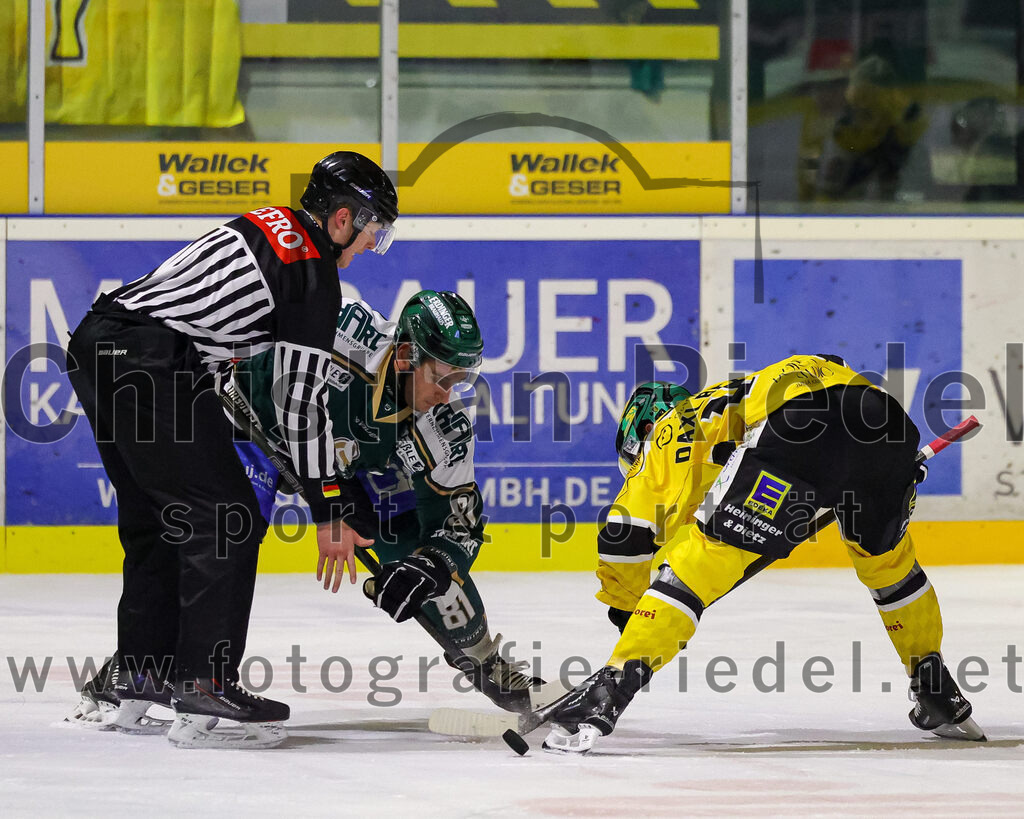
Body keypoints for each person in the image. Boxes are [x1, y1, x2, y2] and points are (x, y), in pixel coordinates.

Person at [65, 151, 398, 748]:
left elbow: (209, 329)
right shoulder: (313, 273)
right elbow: (299, 408)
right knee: (229, 522)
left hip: (97, 343)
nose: (372, 247)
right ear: (344, 218)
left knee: (158, 521)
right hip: (154, 362)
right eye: (375, 232)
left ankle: (140, 676)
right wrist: (331, 510)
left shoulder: (262, 222)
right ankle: (204, 685)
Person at [543, 355, 985, 753]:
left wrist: (630, 616)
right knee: (890, 569)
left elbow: (625, 534)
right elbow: (833, 380)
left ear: (638, 432)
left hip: (801, 425)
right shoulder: (735, 400)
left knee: (706, 556)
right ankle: (935, 687)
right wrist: (882, 464)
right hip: (888, 421)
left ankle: (612, 688)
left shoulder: (669, 428)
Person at [229, 289, 547, 713]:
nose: (449, 394)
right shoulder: (341, 333)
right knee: (227, 539)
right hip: (248, 421)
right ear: (404, 356)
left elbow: (458, 525)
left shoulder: (442, 428)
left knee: (415, 546)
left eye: (461, 380)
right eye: (442, 377)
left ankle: (487, 664)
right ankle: (161, 667)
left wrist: (431, 567)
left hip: (336, 463)